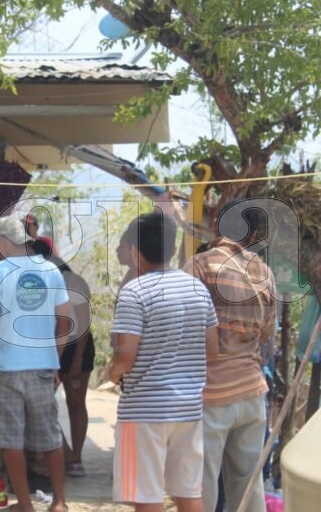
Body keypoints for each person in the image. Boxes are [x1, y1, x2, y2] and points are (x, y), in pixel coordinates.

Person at [109, 212, 218, 512]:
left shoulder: (134, 293)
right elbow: (212, 350)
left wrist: (111, 372)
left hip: (143, 411)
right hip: (188, 409)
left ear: (134, 250)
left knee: (146, 496)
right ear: (172, 249)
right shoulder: (198, 290)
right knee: (188, 493)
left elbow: (125, 356)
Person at [182, 203, 276, 512]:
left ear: (216, 224)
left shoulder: (200, 265)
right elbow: (265, 334)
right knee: (248, 486)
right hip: (252, 393)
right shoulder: (264, 272)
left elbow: (184, 325)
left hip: (211, 393)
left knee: (201, 484)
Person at [0, 216, 70, 512]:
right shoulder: (51, 269)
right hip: (42, 367)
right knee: (50, 437)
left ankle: (25, 505)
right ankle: (59, 502)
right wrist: (54, 360)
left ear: (3, 241)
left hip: (5, 369)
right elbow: (65, 323)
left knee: (10, 439)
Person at [55, 260, 94, 478]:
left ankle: (75, 457)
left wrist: (77, 357)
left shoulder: (73, 283)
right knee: (41, 404)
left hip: (77, 346)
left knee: (76, 403)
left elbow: (83, 323)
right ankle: (68, 453)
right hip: (53, 344)